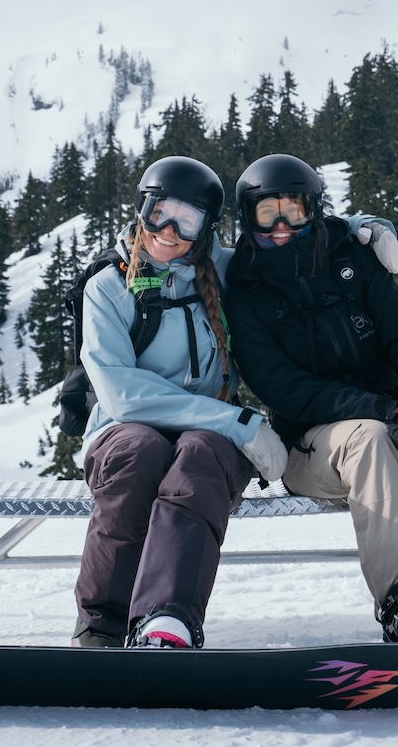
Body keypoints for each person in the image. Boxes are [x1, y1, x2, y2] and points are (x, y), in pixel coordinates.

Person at [222, 153, 398, 650]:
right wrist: (380, 410)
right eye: (269, 213)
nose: (284, 224)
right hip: (310, 443)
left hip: (394, 415)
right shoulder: (244, 291)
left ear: (314, 209)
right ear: (248, 218)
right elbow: (280, 384)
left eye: (296, 209)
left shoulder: (351, 258)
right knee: (371, 442)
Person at [72, 155, 287, 649]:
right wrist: (239, 422)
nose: (168, 231)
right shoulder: (108, 286)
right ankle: (102, 627)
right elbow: (122, 395)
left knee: (199, 457)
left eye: (186, 220)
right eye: (159, 213)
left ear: (206, 230)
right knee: (140, 452)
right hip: (123, 428)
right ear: (141, 209)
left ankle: (166, 620)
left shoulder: (223, 270)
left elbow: (285, 244)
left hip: (207, 436)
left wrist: (360, 231)